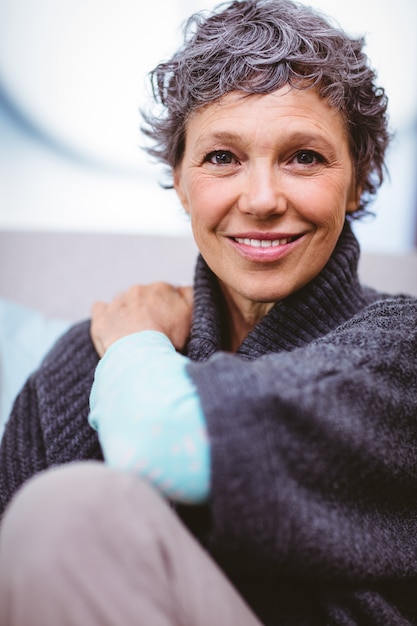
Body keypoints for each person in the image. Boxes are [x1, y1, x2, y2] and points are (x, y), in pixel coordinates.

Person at [0, 0, 416, 623]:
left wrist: (138, 343)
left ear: (359, 180)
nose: (263, 199)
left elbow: (163, 444)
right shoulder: (80, 363)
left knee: (66, 511)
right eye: (222, 157)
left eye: (304, 156)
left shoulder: (400, 350)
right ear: (181, 179)